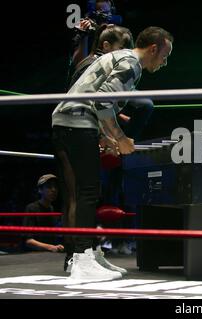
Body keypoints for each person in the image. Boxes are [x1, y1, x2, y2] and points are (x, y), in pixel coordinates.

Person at [52, 26, 173, 280]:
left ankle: (90, 253)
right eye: (165, 56)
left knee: (88, 191)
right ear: (154, 48)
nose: (165, 63)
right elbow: (103, 100)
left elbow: (97, 101)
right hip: (75, 123)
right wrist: (120, 138)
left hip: (74, 122)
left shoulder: (122, 58)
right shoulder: (131, 62)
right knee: (88, 191)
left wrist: (107, 137)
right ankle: (82, 259)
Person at [22, 174, 64, 253]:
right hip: (32, 257)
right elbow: (28, 241)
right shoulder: (31, 208)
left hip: (47, 255)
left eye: (55, 187)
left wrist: (57, 246)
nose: (54, 190)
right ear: (40, 190)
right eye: (49, 187)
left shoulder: (51, 209)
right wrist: (51, 247)